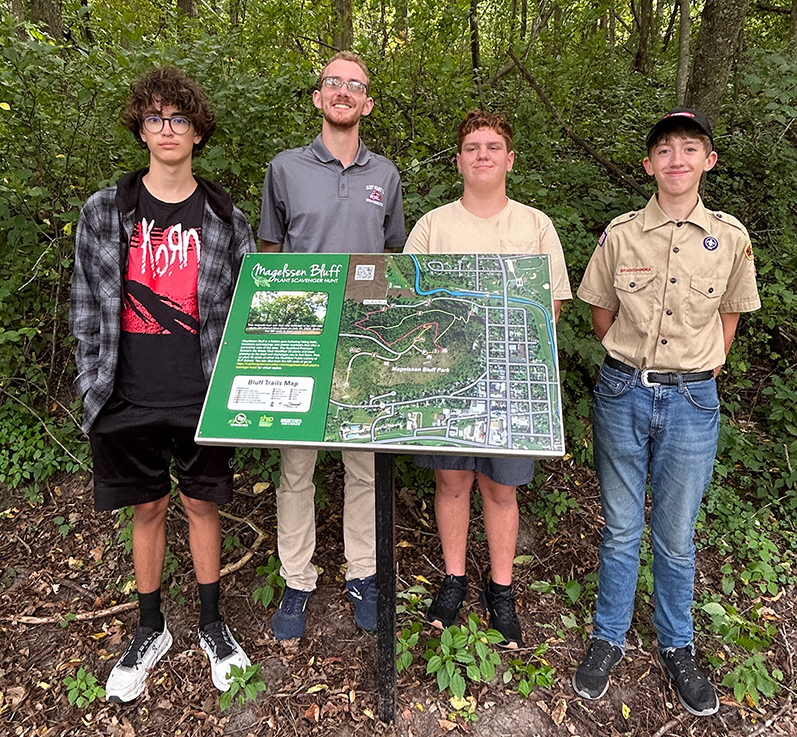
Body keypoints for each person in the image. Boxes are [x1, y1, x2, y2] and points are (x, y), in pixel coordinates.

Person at [70, 65, 254, 703]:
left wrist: (239, 388)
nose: (167, 129)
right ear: (141, 129)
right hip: (127, 395)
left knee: (203, 505)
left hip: (203, 391)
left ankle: (211, 623)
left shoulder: (226, 217)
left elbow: (248, 309)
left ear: (198, 131)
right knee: (146, 509)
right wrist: (95, 386)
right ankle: (150, 628)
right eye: (154, 117)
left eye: (178, 118)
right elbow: (88, 307)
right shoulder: (106, 211)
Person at [572, 109, 761, 715]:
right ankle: (608, 636)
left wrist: (695, 368)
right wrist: (636, 365)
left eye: (689, 148)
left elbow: (730, 317)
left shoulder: (730, 238)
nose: (675, 159)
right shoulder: (621, 233)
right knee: (623, 527)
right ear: (649, 164)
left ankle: (678, 645)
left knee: (676, 537)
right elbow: (602, 314)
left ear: (708, 160)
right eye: (664, 150)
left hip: (690, 400)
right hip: (623, 392)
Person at [403, 110, 572, 648]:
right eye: (472, 146)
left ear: (509, 159)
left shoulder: (535, 225)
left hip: (511, 380)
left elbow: (552, 305)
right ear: (458, 160)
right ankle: (453, 579)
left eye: (493, 146)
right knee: (451, 482)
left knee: (501, 489)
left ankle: (502, 588)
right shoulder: (433, 225)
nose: (482, 154)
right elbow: (408, 299)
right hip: (448, 380)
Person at [258, 51, 405, 640]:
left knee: (363, 466)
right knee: (296, 468)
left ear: (366, 103)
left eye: (356, 85)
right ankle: (297, 579)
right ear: (319, 97)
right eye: (333, 83)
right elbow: (269, 255)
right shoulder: (285, 170)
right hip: (298, 336)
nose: (343, 92)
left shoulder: (385, 176)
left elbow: (391, 257)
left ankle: (363, 572)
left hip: (362, 340)